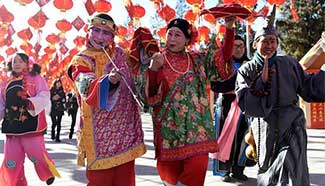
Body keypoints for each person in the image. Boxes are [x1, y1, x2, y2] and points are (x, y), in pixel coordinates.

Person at [129, 16, 236, 186]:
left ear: (187, 40)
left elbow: (223, 59)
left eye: (177, 35)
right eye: (169, 34)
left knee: (197, 168)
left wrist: (229, 28)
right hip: (168, 134)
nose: (171, 38)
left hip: (198, 132)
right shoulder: (156, 60)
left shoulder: (198, 60)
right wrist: (153, 70)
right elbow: (147, 98)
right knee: (170, 180)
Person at [235, 6, 325, 186]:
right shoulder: (247, 70)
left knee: (292, 168)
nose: (269, 45)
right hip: (265, 128)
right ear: (254, 44)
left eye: (272, 41)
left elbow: (309, 89)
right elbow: (247, 103)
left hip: (293, 124)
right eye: (264, 41)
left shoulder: (290, 64)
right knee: (270, 174)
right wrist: (261, 82)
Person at [67, 13, 146, 186]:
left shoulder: (121, 55)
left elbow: (138, 77)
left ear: (112, 36)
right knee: (100, 181)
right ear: (88, 32)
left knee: (125, 181)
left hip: (125, 131)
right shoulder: (81, 59)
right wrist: (108, 81)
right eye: (96, 31)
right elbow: (85, 86)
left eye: (106, 33)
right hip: (98, 135)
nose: (100, 37)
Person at [0, 53, 60, 185]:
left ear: (27, 64)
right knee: (12, 159)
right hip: (12, 127)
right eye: (14, 61)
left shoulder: (36, 78)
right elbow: (1, 102)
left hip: (31, 125)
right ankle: (15, 183)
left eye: (20, 61)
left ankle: (48, 173)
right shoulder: (6, 81)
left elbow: (44, 95)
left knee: (36, 155)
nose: (17, 64)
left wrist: (30, 103)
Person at [210, 35, 256, 182]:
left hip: (245, 105)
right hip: (226, 104)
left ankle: (238, 170)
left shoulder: (251, 64)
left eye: (241, 45)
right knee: (224, 138)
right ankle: (224, 171)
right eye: (235, 45)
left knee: (243, 138)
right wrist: (236, 81)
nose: (238, 48)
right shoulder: (222, 65)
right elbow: (215, 85)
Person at [50, 78, 66, 142]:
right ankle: (53, 133)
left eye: (60, 83)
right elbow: (49, 98)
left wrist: (60, 98)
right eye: (57, 83)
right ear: (55, 83)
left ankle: (58, 137)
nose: (59, 84)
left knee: (59, 123)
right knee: (54, 123)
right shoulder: (51, 90)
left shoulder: (62, 91)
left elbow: (64, 99)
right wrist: (53, 98)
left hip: (60, 108)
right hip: (53, 108)